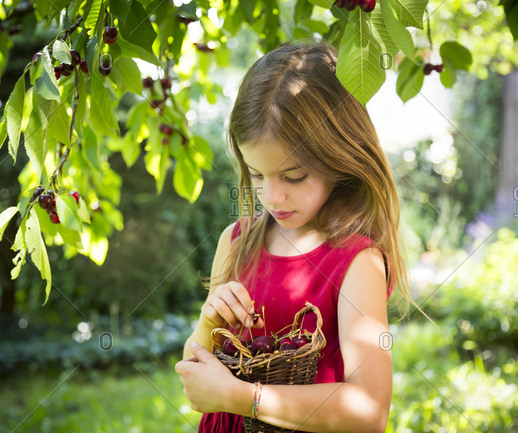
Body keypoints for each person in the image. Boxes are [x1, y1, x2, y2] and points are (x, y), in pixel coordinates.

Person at [174, 41, 431, 433]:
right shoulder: (237, 240)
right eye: (256, 175)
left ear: (338, 156)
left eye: (293, 177)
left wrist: (241, 398)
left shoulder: (355, 261)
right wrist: (209, 323)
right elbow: (194, 375)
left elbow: (369, 410)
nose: (272, 197)